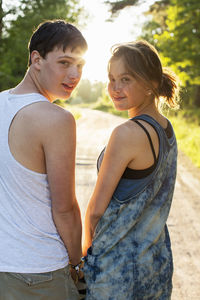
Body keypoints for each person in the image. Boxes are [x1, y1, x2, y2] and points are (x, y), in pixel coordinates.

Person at [83, 40, 180, 299]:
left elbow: (95, 212)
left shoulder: (126, 134)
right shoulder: (166, 128)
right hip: (156, 267)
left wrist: (83, 260)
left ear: (150, 83)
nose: (115, 88)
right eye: (111, 78)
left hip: (116, 275)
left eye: (125, 79)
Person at [0, 20, 87, 300]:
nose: (74, 74)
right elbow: (65, 209)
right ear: (36, 59)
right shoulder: (56, 119)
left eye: (80, 65)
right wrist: (77, 264)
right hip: (40, 272)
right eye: (64, 62)